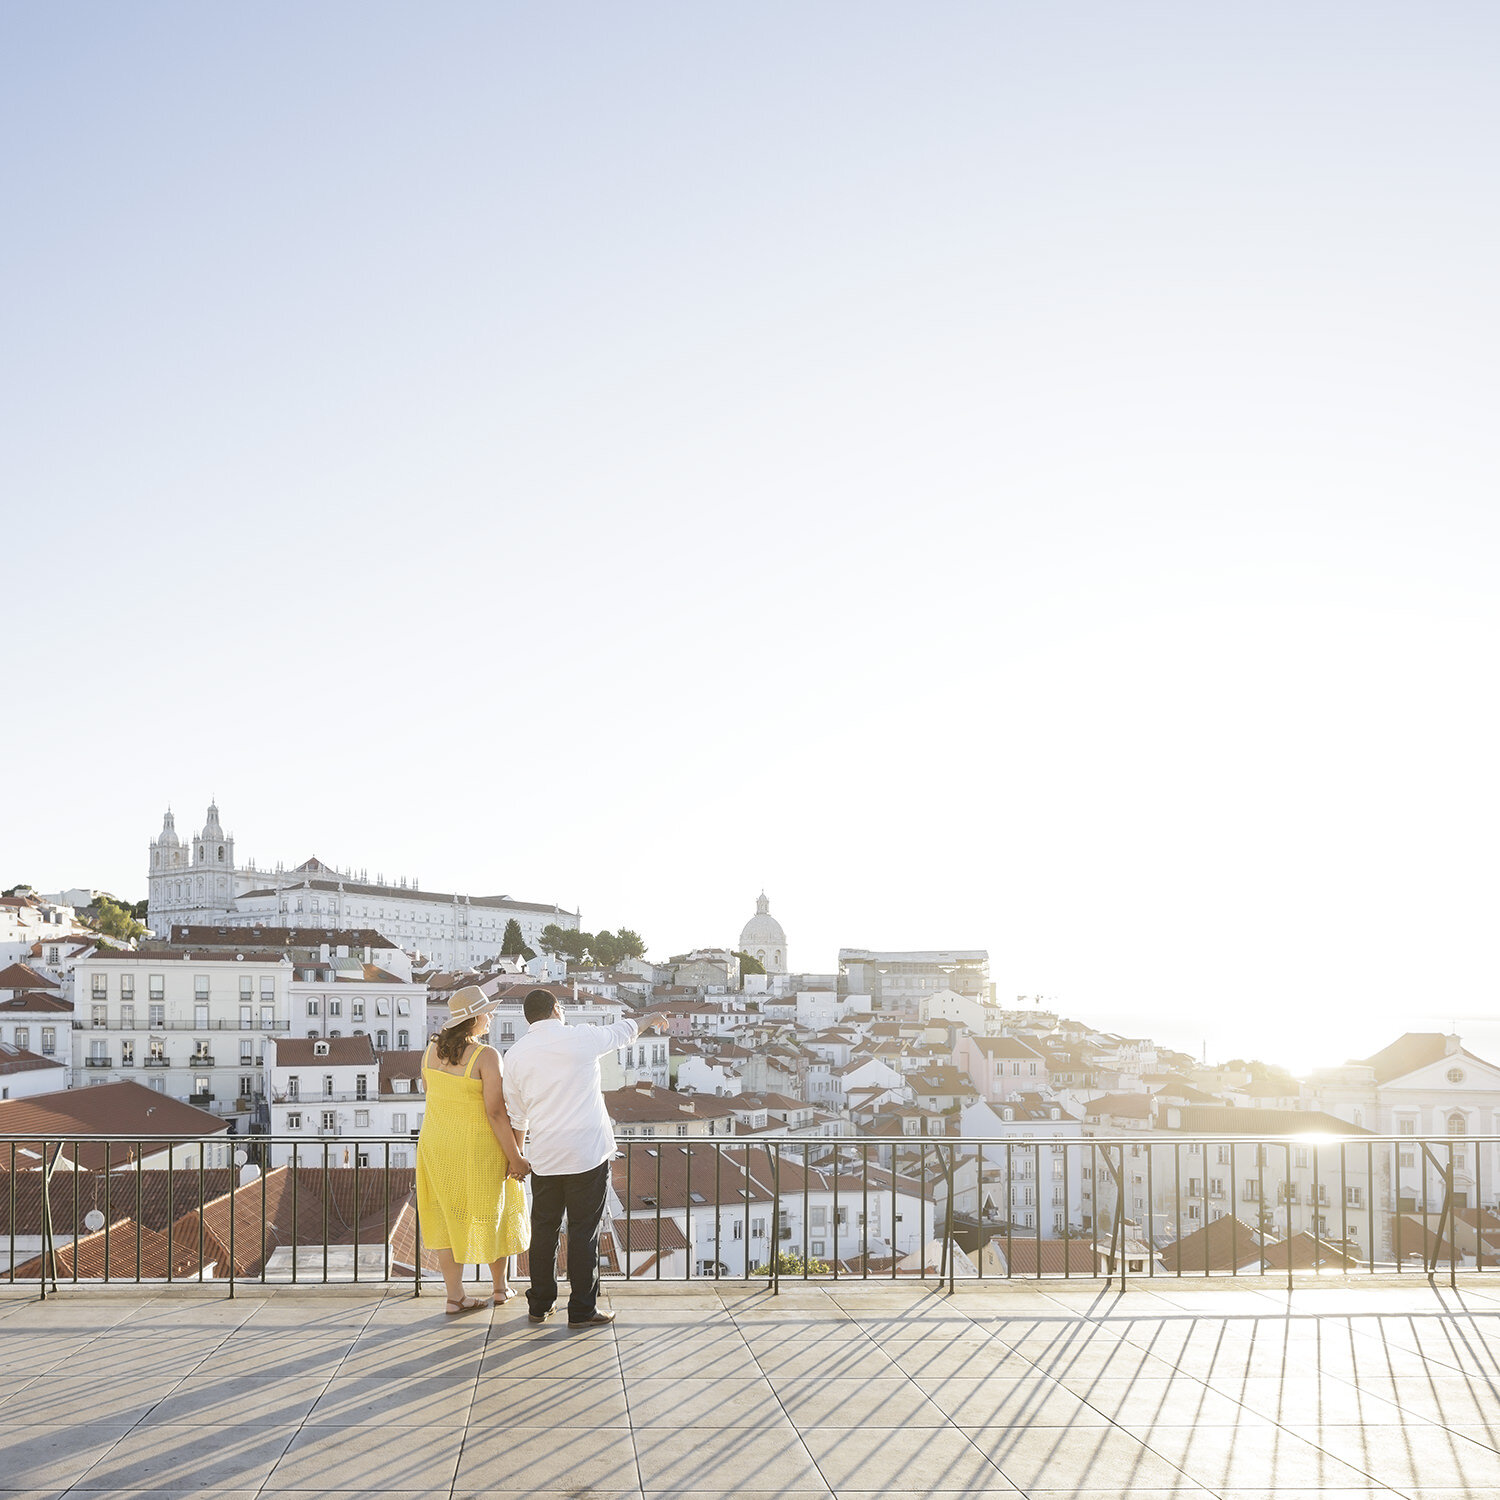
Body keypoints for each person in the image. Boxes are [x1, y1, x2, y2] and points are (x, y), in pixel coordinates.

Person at [503, 987, 665, 1328]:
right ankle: (581, 1310)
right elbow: (623, 1031)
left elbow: (517, 1117)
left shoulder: (515, 1055)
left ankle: (540, 1305)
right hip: (587, 1155)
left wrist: (516, 1156)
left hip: (545, 1156)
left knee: (544, 1232)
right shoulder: (581, 1038)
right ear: (556, 1010)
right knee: (583, 1233)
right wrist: (650, 1017)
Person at [416, 984, 531, 1315]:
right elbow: (496, 1112)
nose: (492, 1017)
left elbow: (431, 1092)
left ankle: (455, 1297)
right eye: (488, 1013)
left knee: (447, 1215)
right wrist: (516, 1158)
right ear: (476, 1017)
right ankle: (500, 1288)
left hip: (436, 1144)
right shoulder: (486, 1056)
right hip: (478, 1146)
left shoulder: (429, 1052)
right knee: (494, 1209)